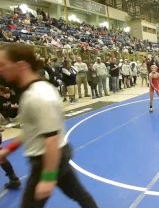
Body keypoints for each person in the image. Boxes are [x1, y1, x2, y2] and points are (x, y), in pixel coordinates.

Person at [0, 44, 98, 208]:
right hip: (56, 155)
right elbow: (32, 130)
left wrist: (48, 178)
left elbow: (51, 138)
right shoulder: (32, 90)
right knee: (80, 195)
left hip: (47, 159)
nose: (1, 70)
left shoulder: (38, 96)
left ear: (21, 66)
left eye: (3, 65)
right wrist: (9, 149)